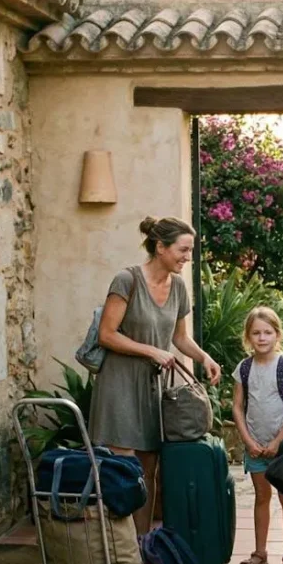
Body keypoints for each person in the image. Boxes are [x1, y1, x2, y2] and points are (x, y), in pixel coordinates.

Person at [89, 216, 222, 536]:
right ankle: (117, 551)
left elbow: (179, 338)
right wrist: (152, 351)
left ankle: (141, 548)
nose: (188, 257)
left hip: (152, 389)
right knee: (123, 471)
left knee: (149, 471)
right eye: (183, 250)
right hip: (119, 386)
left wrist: (204, 358)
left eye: (190, 251)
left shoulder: (178, 286)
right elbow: (106, 335)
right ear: (160, 247)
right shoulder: (127, 280)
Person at [232, 306, 283, 564]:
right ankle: (260, 553)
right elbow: (238, 408)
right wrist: (248, 440)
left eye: (267, 332)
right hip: (256, 446)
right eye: (256, 333)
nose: (262, 338)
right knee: (262, 497)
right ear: (248, 337)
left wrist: (278, 441)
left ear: (277, 334)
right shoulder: (244, 369)